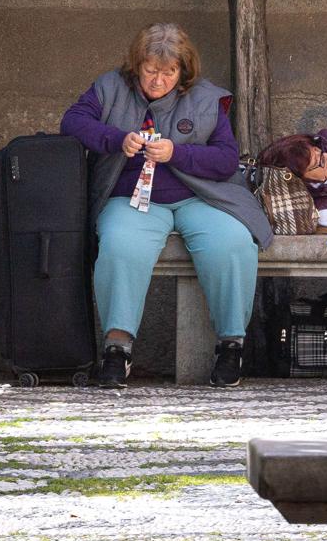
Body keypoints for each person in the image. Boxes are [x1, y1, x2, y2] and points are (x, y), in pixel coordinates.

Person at [60, 23, 273, 388]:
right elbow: (72, 122)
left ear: (183, 71)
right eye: (150, 70)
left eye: (168, 72)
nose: (157, 80)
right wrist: (115, 140)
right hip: (131, 198)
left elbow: (225, 160)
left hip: (200, 197)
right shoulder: (110, 86)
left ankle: (231, 345)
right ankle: (117, 348)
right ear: (136, 65)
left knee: (234, 242)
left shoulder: (206, 98)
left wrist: (179, 152)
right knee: (119, 244)